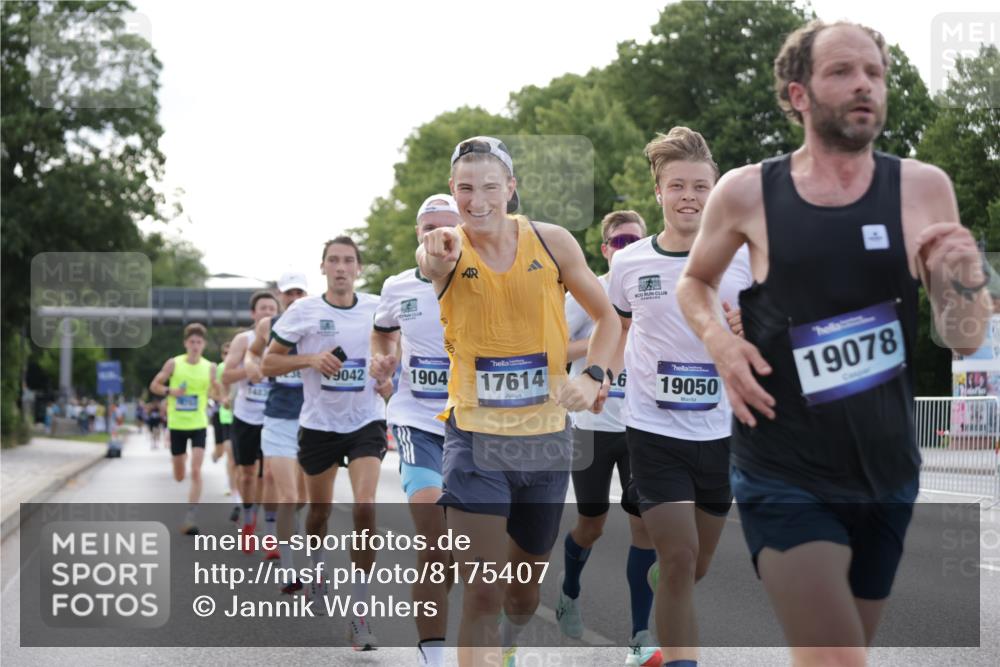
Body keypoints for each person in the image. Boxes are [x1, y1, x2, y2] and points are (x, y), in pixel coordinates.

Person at [675, 20, 992, 666]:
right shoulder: (746, 191)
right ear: (798, 95)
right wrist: (720, 343)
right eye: (843, 72)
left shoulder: (923, 187)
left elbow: (965, 338)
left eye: (875, 73)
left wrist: (963, 279)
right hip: (781, 468)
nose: (864, 86)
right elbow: (695, 285)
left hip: (888, 470)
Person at [417, 136, 619, 667]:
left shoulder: (552, 242)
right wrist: (433, 251)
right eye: (464, 189)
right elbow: (431, 260)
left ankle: (509, 642)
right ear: (453, 192)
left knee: (522, 596)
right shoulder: (448, 247)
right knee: (482, 592)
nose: (476, 200)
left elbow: (608, 320)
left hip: (546, 445)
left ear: (511, 187)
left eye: (489, 186)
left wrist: (596, 375)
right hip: (475, 442)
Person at [606, 127, 752, 667]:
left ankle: (666, 583)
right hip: (651, 431)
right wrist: (603, 375)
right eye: (677, 186)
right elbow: (618, 330)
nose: (688, 196)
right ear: (659, 192)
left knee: (696, 565)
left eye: (699, 186)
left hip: (720, 431)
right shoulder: (629, 264)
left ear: (714, 192)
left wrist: (750, 327)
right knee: (679, 557)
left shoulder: (741, 260)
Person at [263, 236, 389, 651]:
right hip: (318, 426)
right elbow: (268, 363)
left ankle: (359, 617)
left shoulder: (376, 307)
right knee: (317, 512)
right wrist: (310, 360)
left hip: (366, 421)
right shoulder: (304, 311)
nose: (340, 267)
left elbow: (394, 349)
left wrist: (386, 371)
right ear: (323, 268)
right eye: (333, 260)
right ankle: (317, 572)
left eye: (348, 261)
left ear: (358, 268)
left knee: (365, 507)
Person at [552, 209, 662, 667]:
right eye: (617, 242)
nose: (625, 247)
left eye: (632, 240)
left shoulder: (653, 283)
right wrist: (608, 329)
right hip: (592, 428)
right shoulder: (587, 294)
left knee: (646, 527)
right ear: (604, 249)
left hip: (642, 426)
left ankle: (641, 636)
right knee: (592, 524)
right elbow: (554, 350)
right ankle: (569, 590)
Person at [369, 193, 461, 667]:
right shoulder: (398, 286)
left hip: (476, 427)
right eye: (429, 228)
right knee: (434, 538)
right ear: (418, 236)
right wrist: (382, 358)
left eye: (448, 226)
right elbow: (383, 329)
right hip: (417, 423)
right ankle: (435, 657)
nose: (439, 236)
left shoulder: (485, 278)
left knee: (459, 553)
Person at [244, 271, 309, 583]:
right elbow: (253, 352)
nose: (294, 298)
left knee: (305, 500)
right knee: (288, 494)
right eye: (289, 293)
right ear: (281, 297)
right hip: (278, 418)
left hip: (314, 420)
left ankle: (309, 561)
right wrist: (250, 364)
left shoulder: (320, 323)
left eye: (300, 293)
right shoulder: (268, 326)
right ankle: (288, 571)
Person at [148, 323, 220, 535]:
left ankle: (190, 517)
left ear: (204, 345)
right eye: (192, 342)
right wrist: (171, 390)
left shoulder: (210, 367)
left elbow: (216, 391)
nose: (195, 346)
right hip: (177, 424)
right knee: (180, 475)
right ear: (185, 344)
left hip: (198, 424)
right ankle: (180, 460)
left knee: (196, 471)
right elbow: (155, 386)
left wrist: (220, 395)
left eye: (199, 342)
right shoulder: (174, 363)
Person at [222, 291, 280, 547]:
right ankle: (248, 519)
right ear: (253, 314)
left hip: (274, 417)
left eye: (272, 309)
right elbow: (225, 376)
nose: (267, 313)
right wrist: (248, 369)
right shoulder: (242, 340)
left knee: (269, 474)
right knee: (247, 475)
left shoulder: (285, 337)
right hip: (246, 416)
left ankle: (269, 531)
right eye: (263, 309)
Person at [211, 341, 240, 520]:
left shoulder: (245, 365)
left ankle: (239, 491)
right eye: (226, 353)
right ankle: (235, 495)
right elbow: (213, 392)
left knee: (241, 460)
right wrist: (223, 399)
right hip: (226, 417)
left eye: (232, 352)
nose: (229, 356)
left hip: (244, 417)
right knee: (230, 456)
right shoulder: (221, 368)